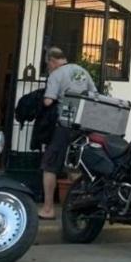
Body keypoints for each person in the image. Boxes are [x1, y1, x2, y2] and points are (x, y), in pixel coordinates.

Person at [39, 47, 94, 220]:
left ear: (52, 61)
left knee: (50, 164)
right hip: (83, 125)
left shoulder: (56, 74)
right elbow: (94, 95)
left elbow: (48, 101)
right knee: (74, 164)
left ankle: (48, 209)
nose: (48, 67)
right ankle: (76, 207)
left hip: (65, 124)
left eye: (48, 63)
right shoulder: (82, 71)